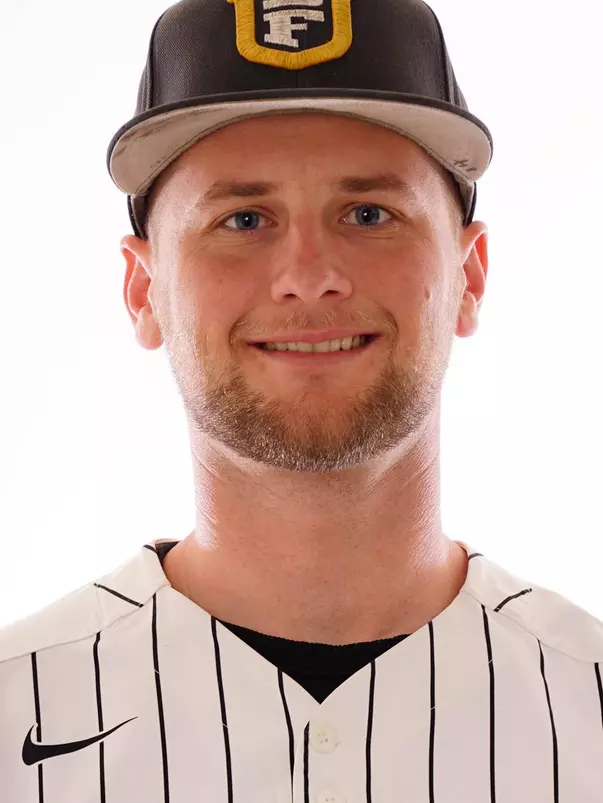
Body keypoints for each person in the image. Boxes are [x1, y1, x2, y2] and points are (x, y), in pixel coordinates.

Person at [2, 0, 603, 800]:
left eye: (368, 213)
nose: (309, 273)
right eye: (243, 218)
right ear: (143, 290)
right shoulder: (16, 713)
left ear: (471, 273)